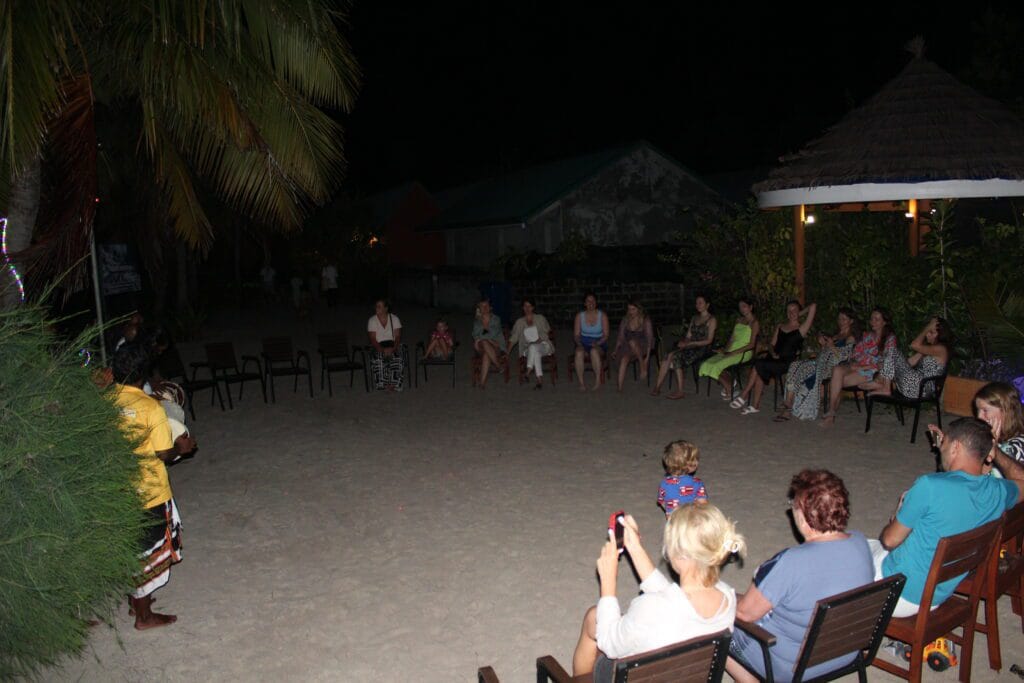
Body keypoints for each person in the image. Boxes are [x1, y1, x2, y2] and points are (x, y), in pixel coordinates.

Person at [727, 470, 874, 682]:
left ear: (804, 517)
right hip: (845, 653)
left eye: (793, 505)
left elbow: (744, 614)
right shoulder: (860, 542)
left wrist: (720, 595)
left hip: (792, 666)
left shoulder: (791, 562)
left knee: (714, 621)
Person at [870, 417, 1024, 617]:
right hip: (937, 596)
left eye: (944, 443)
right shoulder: (997, 491)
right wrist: (995, 452)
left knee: (847, 549)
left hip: (898, 592)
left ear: (956, 447)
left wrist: (898, 514)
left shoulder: (930, 486)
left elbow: (890, 540)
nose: (940, 448)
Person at [571, 505, 745, 681]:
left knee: (593, 617)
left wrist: (608, 584)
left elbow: (609, 643)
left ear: (680, 554)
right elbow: (670, 596)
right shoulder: (726, 598)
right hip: (686, 674)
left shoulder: (651, 608)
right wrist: (635, 548)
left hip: (637, 676)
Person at [111, 344, 196, 630]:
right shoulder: (150, 409)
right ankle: (144, 616)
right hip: (147, 490)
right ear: (142, 375)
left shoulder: (105, 402)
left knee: (128, 547)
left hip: (116, 488)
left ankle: (136, 601)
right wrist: (182, 447)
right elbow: (163, 453)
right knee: (148, 551)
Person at [731, 301, 816, 415]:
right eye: (789, 311)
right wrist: (772, 352)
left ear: (799, 311)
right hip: (772, 358)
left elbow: (813, 305)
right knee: (760, 365)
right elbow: (771, 344)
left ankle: (745, 394)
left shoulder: (801, 329)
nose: (792, 313)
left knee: (759, 364)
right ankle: (754, 405)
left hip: (786, 362)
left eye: (794, 310)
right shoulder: (780, 326)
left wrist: (799, 313)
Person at [775, 308, 859, 422]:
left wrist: (831, 346)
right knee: (795, 366)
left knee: (801, 369)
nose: (841, 321)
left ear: (851, 321)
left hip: (830, 368)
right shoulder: (836, 335)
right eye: (839, 318)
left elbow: (846, 357)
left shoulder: (850, 337)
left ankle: (788, 407)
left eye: (844, 319)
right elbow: (825, 353)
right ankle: (789, 403)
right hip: (819, 363)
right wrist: (823, 344)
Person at [821, 307, 897, 426]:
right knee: (836, 370)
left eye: (877, 319)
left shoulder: (889, 338)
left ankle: (831, 413)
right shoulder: (867, 336)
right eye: (872, 319)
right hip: (857, 366)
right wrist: (859, 363)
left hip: (871, 371)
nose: (873, 321)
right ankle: (831, 411)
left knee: (838, 381)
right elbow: (856, 353)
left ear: (885, 322)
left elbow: (885, 361)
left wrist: (864, 365)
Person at [859, 317, 950, 398]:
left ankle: (884, 387)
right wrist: (887, 364)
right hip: (913, 385)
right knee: (888, 356)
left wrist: (927, 328)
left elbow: (914, 345)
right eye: (928, 332)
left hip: (922, 387)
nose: (927, 335)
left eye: (931, 332)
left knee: (892, 350)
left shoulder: (941, 349)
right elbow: (909, 363)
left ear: (940, 334)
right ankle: (881, 382)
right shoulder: (928, 350)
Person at [651, 294, 717, 399]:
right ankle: (657, 386)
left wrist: (689, 344)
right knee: (668, 355)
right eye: (696, 303)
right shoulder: (695, 318)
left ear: (707, 305)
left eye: (700, 303)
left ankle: (680, 391)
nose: (698, 305)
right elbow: (688, 336)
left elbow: (709, 341)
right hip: (691, 345)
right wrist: (685, 342)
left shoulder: (711, 320)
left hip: (702, 348)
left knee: (676, 357)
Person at [698, 297, 760, 398]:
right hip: (731, 350)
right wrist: (725, 350)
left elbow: (752, 344)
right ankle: (730, 384)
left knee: (716, 366)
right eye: (740, 307)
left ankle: (729, 389)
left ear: (751, 307)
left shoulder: (754, 323)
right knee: (706, 364)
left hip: (744, 352)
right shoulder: (739, 320)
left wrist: (733, 352)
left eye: (744, 306)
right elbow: (732, 339)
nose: (742, 309)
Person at [507, 298, 555, 389]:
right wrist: (507, 353)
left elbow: (548, 333)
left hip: (543, 345)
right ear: (523, 308)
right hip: (527, 349)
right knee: (534, 349)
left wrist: (540, 339)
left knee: (534, 347)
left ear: (533, 307)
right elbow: (513, 339)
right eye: (525, 306)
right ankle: (539, 381)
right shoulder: (519, 322)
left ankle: (528, 371)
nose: (527, 308)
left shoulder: (540, 318)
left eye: (529, 306)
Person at [610, 298, 655, 392]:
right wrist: (615, 349)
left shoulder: (645, 320)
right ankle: (620, 387)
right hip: (628, 346)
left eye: (633, 309)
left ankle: (642, 364)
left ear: (639, 309)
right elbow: (620, 337)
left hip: (643, 344)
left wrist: (647, 357)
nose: (631, 312)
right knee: (624, 358)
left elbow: (650, 339)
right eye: (629, 309)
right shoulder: (625, 319)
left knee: (632, 341)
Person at [974, 382, 1024, 464]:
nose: (979, 416)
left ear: (1006, 411)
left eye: (985, 410)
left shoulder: (1017, 446)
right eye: (978, 410)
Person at [657, 440, 708, 517]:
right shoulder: (697, 483)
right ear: (690, 465)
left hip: (673, 521)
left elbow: (661, 501)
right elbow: (703, 503)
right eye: (695, 459)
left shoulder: (664, 483)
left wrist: (670, 511)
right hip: (690, 519)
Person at [573, 292, 610, 392]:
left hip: (599, 341)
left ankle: (597, 380)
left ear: (596, 302)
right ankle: (581, 383)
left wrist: (598, 343)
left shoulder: (602, 316)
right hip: (584, 341)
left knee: (594, 351)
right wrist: (579, 343)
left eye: (593, 300)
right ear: (584, 303)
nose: (591, 303)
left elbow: (606, 335)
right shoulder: (579, 316)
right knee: (579, 352)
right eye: (588, 301)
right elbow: (576, 335)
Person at [367, 299, 404, 391]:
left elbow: (398, 337)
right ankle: (382, 384)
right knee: (379, 358)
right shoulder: (372, 320)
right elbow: (372, 339)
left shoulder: (394, 319)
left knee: (397, 358)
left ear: (386, 308)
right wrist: (382, 349)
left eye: (379, 306)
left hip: (392, 344)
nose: (376, 308)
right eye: (376, 306)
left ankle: (394, 383)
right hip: (378, 345)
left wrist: (393, 348)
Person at [472, 298, 506, 389]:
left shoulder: (496, 319)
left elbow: (493, 333)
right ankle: (498, 366)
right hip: (483, 346)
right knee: (484, 342)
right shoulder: (477, 321)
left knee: (486, 354)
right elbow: (475, 334)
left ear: (490, 307)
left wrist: (480, 338)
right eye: (482, 306)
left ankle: (482, 383)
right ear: (479, 308)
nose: (485, 307)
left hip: (496, 347)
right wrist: (488, 340)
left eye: (486, 305)